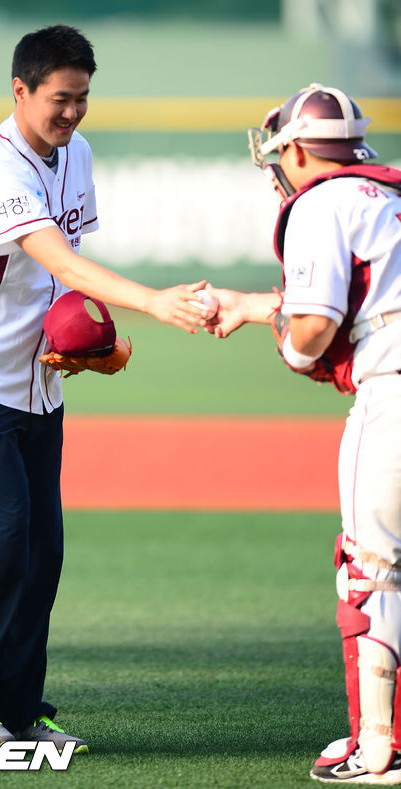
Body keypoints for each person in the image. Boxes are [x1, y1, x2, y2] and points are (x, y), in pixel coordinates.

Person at [0, 24, 206, 752]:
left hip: (38, 386)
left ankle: (17, 708)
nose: (73, 112)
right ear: (20, 90)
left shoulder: (76, 154)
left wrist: (84, 347)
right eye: (60, 98)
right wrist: (153, 302)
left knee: (40, 551)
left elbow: (58, 280)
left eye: (82, 98)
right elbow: (64, 263)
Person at [207, 84, 401, 783]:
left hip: (393, 390)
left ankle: (378, 749)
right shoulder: (390, 193)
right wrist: (256, 306)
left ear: (294, 151)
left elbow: (315, 327)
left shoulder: (320, 203)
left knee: (372, 570)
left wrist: (290, 346)